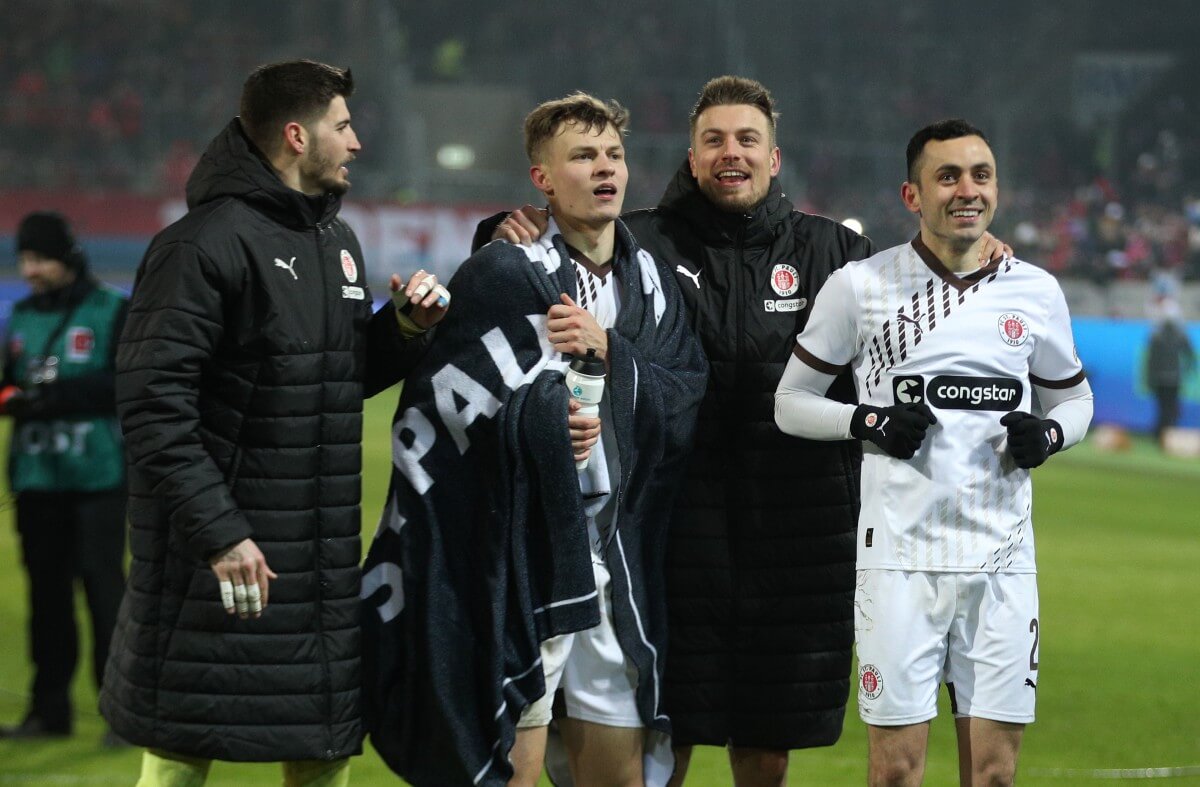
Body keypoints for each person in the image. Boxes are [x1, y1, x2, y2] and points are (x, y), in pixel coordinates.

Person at [485, 76, 1010, 786]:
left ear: (774, 157)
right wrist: (506, 228)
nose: (731, 152)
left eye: (747, 139)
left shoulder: (834, 252)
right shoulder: (641, 240)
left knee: (766, 743)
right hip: (671, 533)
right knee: (664, 732)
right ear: (693, 157)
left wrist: (970, 250)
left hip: (798, 534)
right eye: (714, 140)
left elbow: (920, 300)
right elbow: (561, 252)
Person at [98, 59, 448, 787]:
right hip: (221, 557)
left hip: (317, 562)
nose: (356, 142)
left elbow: (333, 377)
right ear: (296, 135)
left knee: (323, 746)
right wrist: (220, 532)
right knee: (184, 738)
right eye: (342, 126)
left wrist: (404, 329)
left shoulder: (336, 242)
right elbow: (153, 404)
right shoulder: (200, 245)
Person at [361, 93, 707, 787]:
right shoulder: (501, 272)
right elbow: (443, 413)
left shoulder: (656, 285)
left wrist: (610, 352)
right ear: (541, 179)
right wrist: (541, 427)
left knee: (618, 778)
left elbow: (686, 398)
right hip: (525, 558)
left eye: (613, 154)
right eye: (583, 156)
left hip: (616, 562)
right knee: (511, 770)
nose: (604, 168)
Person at [774, 118, 1094, 786]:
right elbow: (790, 402)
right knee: (895, 773)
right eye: (947, 176)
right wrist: (868, 421)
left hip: (1003, 566)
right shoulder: (861, 286)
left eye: (981, 175)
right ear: (912, 195)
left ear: (997, 189)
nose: (966, 190)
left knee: (996, 774)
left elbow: (1076, 400)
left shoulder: (1035, 290)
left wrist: (1049, 434)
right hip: (898, 564)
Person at [0, 211, 128, 746]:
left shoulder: (112, 310)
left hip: (98, 477)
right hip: (37, 480)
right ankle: (48, 712)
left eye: (40, 259)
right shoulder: (21, 315)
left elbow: (125, 383)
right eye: (25, 259)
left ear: (67, 257)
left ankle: (121, 713)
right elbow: (6, 384)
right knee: (46, 601)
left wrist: (54, 397)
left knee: (105, 595)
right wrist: (13, 399)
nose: (30, 270)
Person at [1145, 309, 1195, 445]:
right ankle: (1170, 435)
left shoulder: (1156, 337)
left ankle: (1159, 435)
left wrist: (1150, 379)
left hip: (1160, 379)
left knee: (1162, 408)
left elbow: (1151, 361)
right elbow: (1190, 355)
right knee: (1171, 408)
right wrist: (1187, 370)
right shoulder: (1180, 336)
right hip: (1174, 379)